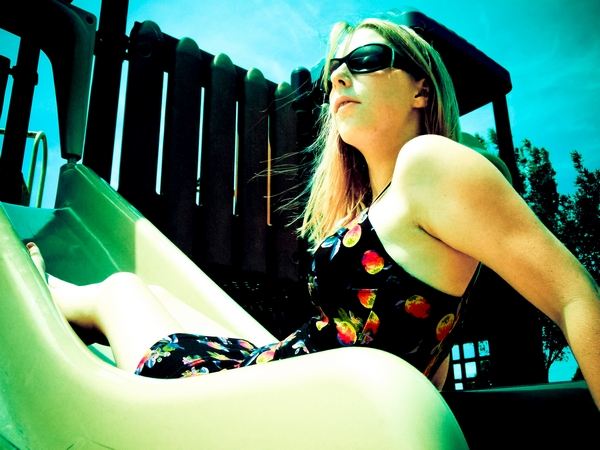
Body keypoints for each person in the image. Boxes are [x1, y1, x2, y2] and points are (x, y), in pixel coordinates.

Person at [26, 18, 600, 406]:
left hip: (284, 403)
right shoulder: (391, 206)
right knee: (159, 295)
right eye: (334, 71)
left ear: (421, 91)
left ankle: (25, 282)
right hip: (286, 376)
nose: (340, 77)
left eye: (366, 59)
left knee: (121, 290)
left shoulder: (429, 163)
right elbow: (428, 356)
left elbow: (574, 294)